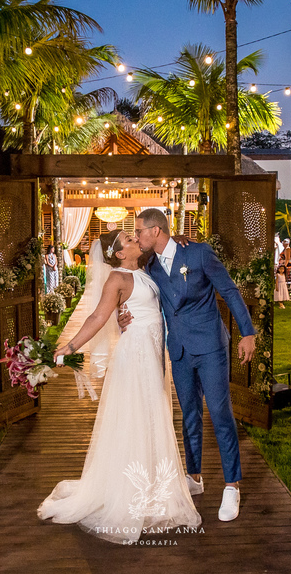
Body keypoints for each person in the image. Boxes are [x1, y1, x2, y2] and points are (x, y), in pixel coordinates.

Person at [38, 229, 201, 543]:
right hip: (135, 354)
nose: (135, 240)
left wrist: (179, 238)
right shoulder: (117, 279)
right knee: (137, 415)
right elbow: (98, 316)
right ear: (118, 253)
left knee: (155, 414)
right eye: (129, 239)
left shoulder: (144, 268)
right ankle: (132, 488)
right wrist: (68, 348)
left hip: (154, 352)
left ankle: (156, 480)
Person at [122, 208, 257, 523]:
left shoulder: (198, 253)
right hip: (179, 350)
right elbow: (135, 292)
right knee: (189, 416)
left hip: (210, 346)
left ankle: (232, 486)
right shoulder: (151, 265)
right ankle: (194, 477)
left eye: (139, 230)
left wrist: (248, 333)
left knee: (221, 416)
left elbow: (230, 291)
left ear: (155, 231)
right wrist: (123, 315)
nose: (137, 235)